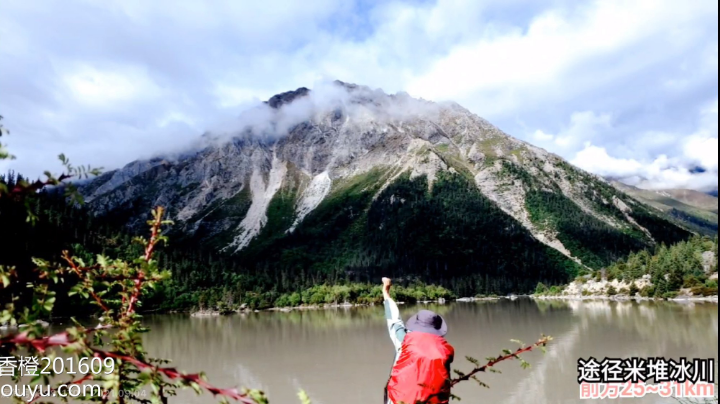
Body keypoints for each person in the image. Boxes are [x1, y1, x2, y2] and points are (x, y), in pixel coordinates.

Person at [382, 277, 454, 404]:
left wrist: (386, 291)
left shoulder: (404, 340)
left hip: (400, 400)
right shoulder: (445, 350)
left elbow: (394, 320)